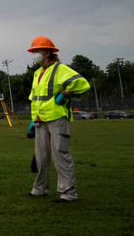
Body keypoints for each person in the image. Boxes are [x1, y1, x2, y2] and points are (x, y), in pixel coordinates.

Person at [26, 36, 90, 203]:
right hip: (40, 119)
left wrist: (65, 94)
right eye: (33, 51)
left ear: (48, 52)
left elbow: (82, 83)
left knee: (60, 155)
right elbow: (35, 99)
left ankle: (68, 193)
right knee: (41, 157)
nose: (34, 54)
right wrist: (32, 122)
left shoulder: (60, 69)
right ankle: (40, 189)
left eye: (36, 50)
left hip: (57, 118)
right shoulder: (38, 73)